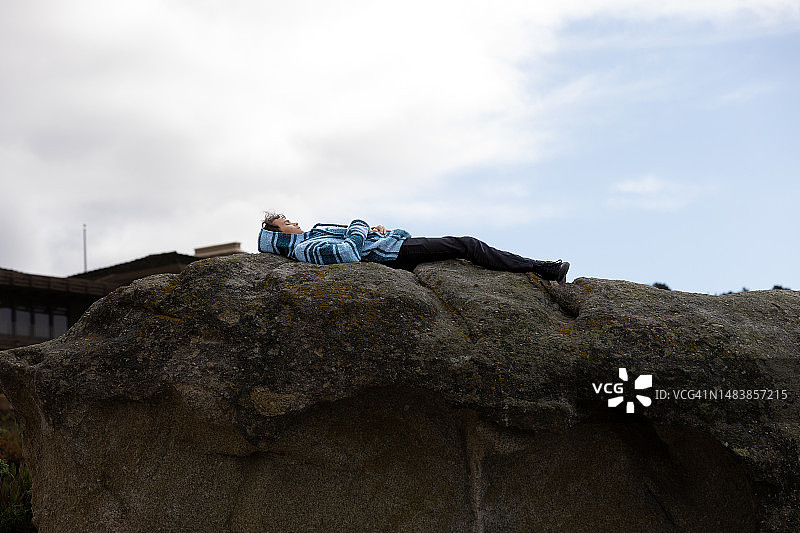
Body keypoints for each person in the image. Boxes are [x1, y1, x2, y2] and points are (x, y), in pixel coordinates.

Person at [258, 212, 570, 282]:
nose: (294, 222)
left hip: (389, 246)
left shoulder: (314, 234)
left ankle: (540, 268)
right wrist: (360, 226)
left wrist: (374, 230)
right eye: (286, 223)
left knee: (465, 247)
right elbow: (348, 253)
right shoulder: (304, 248)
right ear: (280, 235)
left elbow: (354, 241)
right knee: (466, 245)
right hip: (392, 255)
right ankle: (542, 269)